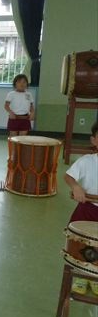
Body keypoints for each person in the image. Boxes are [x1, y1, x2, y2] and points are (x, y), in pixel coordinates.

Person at [64, 121, 98, 295]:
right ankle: (81, 275)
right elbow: (68, 176)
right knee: (81, 244)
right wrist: (76, 187)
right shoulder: (86, 161)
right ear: (94, 140)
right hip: (87, 209)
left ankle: (95, 277)